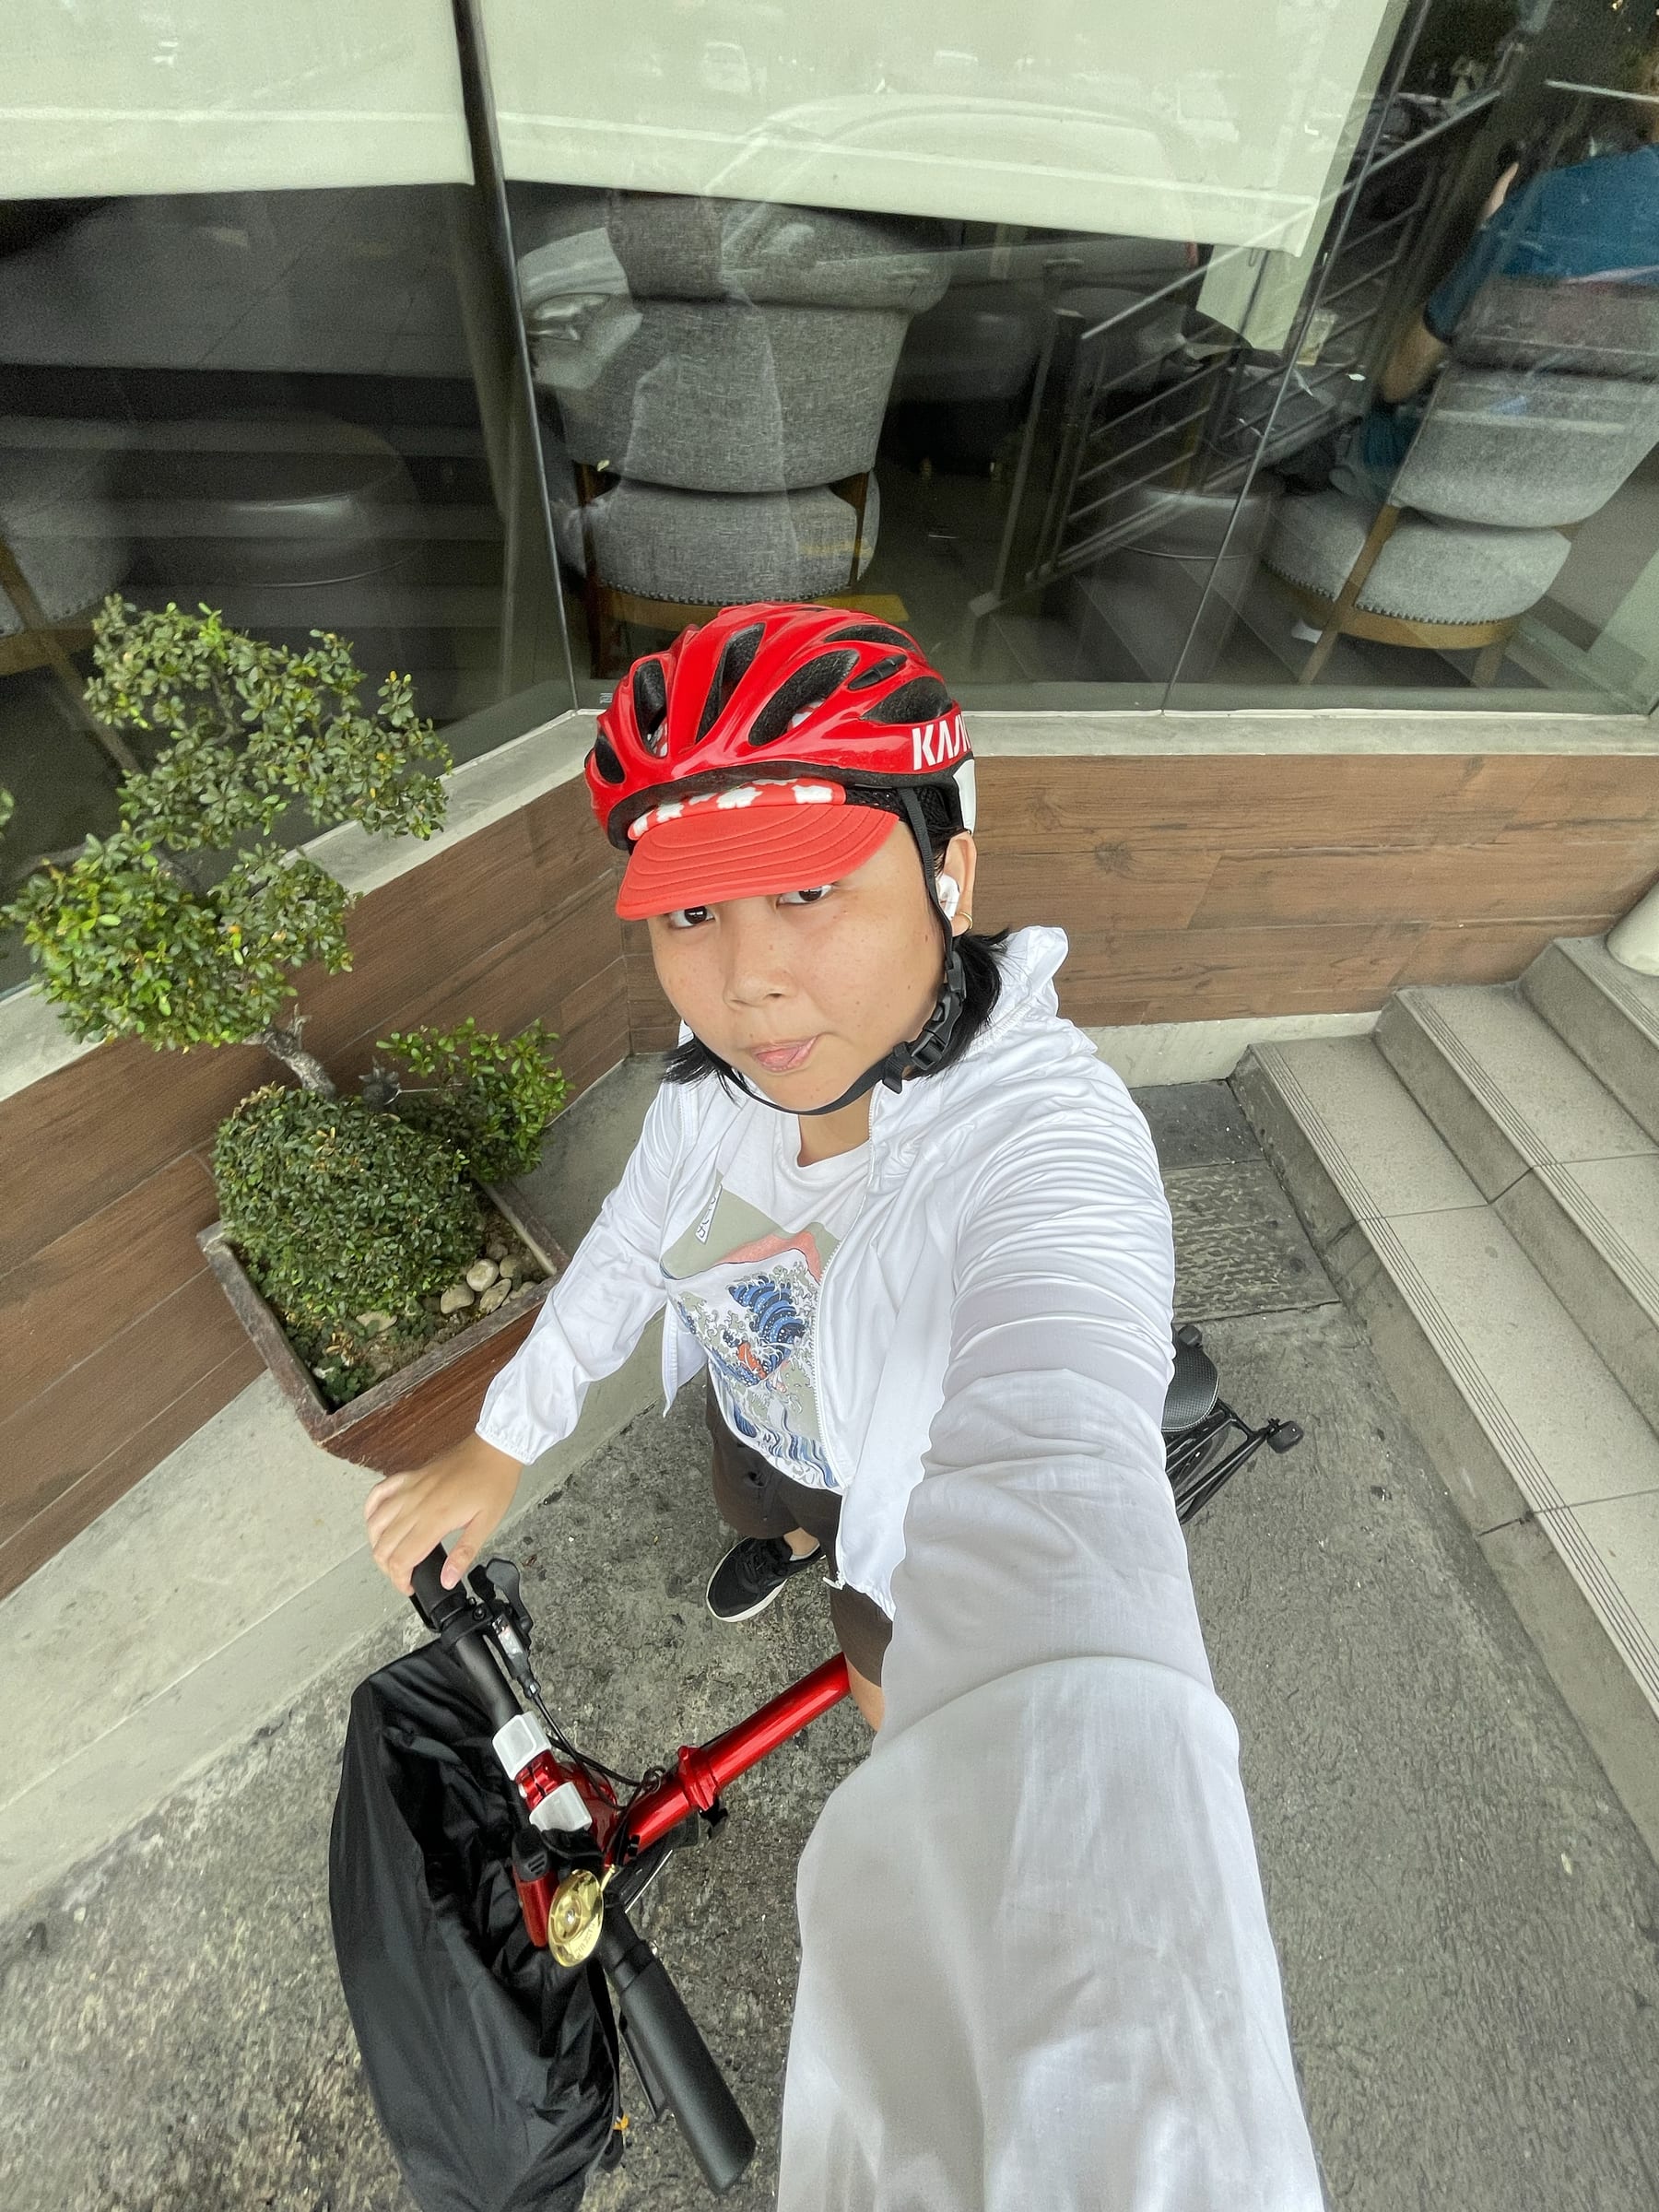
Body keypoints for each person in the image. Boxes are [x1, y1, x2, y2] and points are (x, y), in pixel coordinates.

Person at [365, 603, 1322, 2206]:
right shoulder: (722, 1060)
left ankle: (888, 1717)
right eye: (690, 914)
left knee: (895, 1674)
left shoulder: (1048, 1148)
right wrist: (500, 1434)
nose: (749, 984)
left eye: (812, 890)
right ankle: (789, 1541)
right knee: (765, 1507)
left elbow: (1067, 1531)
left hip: (914, 1504)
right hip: (765, 1415)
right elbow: (634, 1238)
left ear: (950, 870)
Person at [1296, 37, 1659, 511]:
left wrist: (1497, 231)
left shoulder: (1561, 197)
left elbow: (1398, 380)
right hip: (1573, 489)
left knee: (1292, 422)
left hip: (1444, 465)